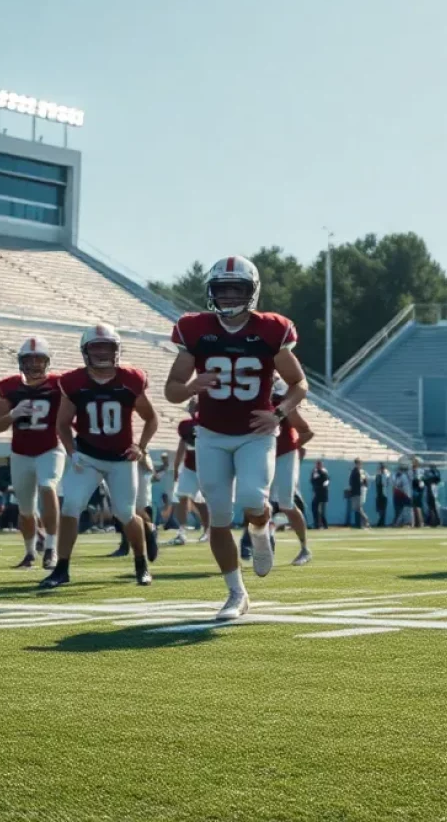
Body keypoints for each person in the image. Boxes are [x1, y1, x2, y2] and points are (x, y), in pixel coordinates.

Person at [165, 255, 307, 620]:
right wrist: (192, 385)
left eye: (236, 289)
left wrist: (277, 413)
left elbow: (298, 384)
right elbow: (172, 390)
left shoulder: (272, 329)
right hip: (211, 433)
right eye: (222, 289)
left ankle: (261, 533)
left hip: (254, 433)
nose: (228, 296)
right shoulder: (194, 329)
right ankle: (235, 593)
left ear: (251, 291)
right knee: (219, 516)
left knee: (252, 499)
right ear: (211, 292)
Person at [42, 323, 159, 589]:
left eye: (108, 347)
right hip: (88, 456)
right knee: (71, 507)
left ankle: (141, 564)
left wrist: (140, 446)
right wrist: (72, 453)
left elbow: (151, 417)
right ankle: (61, 568)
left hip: (121, 459)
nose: (103, 353)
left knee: (126, 513)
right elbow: (62, 423)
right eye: (97, 347)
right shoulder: (74, 382)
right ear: (86, 351)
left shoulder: (131, 379)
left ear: (117, 350)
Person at [0, 337, 65, 570]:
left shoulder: (58, 385)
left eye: (38, 359)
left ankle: (52, 548)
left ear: (47, 362)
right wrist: (13, 413)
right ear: (21, 361)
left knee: (47, 486)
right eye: (29, 359)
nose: (34, 364)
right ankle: (30, 553)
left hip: (50, 448)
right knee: (25, 509)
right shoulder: (10, 387)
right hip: (21, 452)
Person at [270, 377, 314, 564]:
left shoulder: (281, 402)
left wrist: (292, 450)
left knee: (286, 503)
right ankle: (264, 542)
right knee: (259, 503)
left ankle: (304, 548)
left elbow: (306, 432)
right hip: (261, 454)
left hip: (283, 453)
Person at [171, 402, 210, 545]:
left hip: (207, 468)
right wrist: (176, 468)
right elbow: (182, 446)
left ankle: (208, 531)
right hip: (190, 467)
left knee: (201, 502)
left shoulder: (210, 422)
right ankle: (181, 532)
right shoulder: (185, 425)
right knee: (182, 496)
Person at [348, 459, 369, 529]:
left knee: (358, 507)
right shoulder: (354, 471)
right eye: (357, 463)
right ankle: (364, 522)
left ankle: (365, 520)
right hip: (355, 491)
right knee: (357, 508)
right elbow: (351, 481)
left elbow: (363, 482)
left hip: (358, 491)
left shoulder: (360, 472)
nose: (359, 465)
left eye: (359, 463)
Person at [310, 459, 329, 529]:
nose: (318, 466)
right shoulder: (315, 471)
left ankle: (322, 524)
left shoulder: (323, 472)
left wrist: (317, 475)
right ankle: (318, 524)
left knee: (321, 510)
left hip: (322, 493)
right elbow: (312, 480)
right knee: (315, 508)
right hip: (317, 493)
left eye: (319, 464)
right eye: (317, 464)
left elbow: (325, 481)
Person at [392, 460, 412, 526]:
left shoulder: (405, 475)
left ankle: (404, 522)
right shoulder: (396, 475)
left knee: (406, 509)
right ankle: (398, 523)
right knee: (398, 510)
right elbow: (395, 484)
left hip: (404, 494)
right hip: (399, 494)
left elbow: (403, 485)